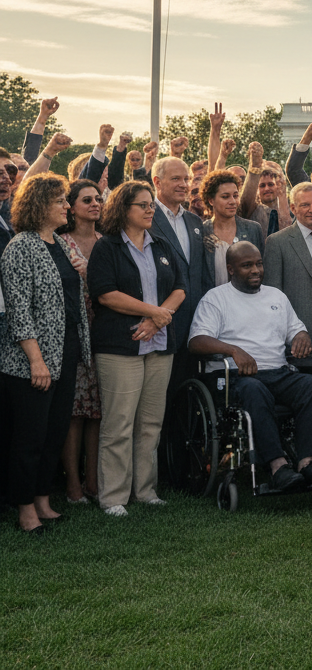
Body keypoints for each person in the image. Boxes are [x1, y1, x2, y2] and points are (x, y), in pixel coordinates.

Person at [188, 242, 312, 491]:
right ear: (231, 269)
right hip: (239, 376)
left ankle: (307, 463)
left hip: (278, 371)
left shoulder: (276, 296)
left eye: (259, 264)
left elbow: (296, 328)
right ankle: (278, 467)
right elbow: (196, 342)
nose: (256, 270)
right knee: (254, 390)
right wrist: (234, 350)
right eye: (247, 265)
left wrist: (302, 335)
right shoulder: (216, 298)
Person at [84, 181, 186, 516]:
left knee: (151, 422)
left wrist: (158, 319)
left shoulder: (161, 244)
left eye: (151, 205)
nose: (149, 210)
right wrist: (151, 312)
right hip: (119, 346)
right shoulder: (108, 247)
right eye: (142, 205)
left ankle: (146, 491)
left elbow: (180, 289)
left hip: (159, 344)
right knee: (119, 424)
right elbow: (105, 294)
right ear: (123, 209)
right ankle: (113, 497)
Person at [0, 174, 90, 533]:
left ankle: (42, 499)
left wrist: (79, 269)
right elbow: (18, 310)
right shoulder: (21, 247)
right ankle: (23, 508)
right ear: (39, 205)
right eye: (60, 201)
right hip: (30, 360)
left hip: (65, 351)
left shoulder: (62, 244)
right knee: (30, 437)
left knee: (53, 432)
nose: (67, 206)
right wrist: (36, 360)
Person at [262, 183, 312, 402]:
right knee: (305, 397)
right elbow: (272, 296)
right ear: (293, 208)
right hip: (298, 335)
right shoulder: (277, 242)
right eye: (305, 205)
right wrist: (290, 332)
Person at [150, 157, 213, 402]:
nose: (184, 184)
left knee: (188, 399)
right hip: (160, 324)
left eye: (186, 179)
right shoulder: (146, 218)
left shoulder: (195, 221)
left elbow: (200, 273)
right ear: (157, 181)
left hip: (194, 326)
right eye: (176, 178)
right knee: (160, 400)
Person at [58, 179, 104, 504]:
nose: (95, 204)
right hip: (72, 335)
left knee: (97, 412)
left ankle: (94, 482)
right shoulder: (61, 243)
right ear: (71, 206)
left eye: (98, 199)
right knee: (74, 413)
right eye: (87, 199)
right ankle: (72, 486)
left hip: (103, 334)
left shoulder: (107, 242)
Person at [200, 170, 265, 287]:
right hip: (212, 301)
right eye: (225, 197)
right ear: (211, 200)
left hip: (247, 300)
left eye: (235, 196)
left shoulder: (253, 229)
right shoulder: (201, 231)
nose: (233, 201)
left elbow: (261, 270)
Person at [239, 143, 292, 238]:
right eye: (262, 186)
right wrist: (254, 169)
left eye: (271, 184)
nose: (267, 188)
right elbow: (245, 202)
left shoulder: (292, 209)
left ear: (278, 186)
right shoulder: (253, 210)